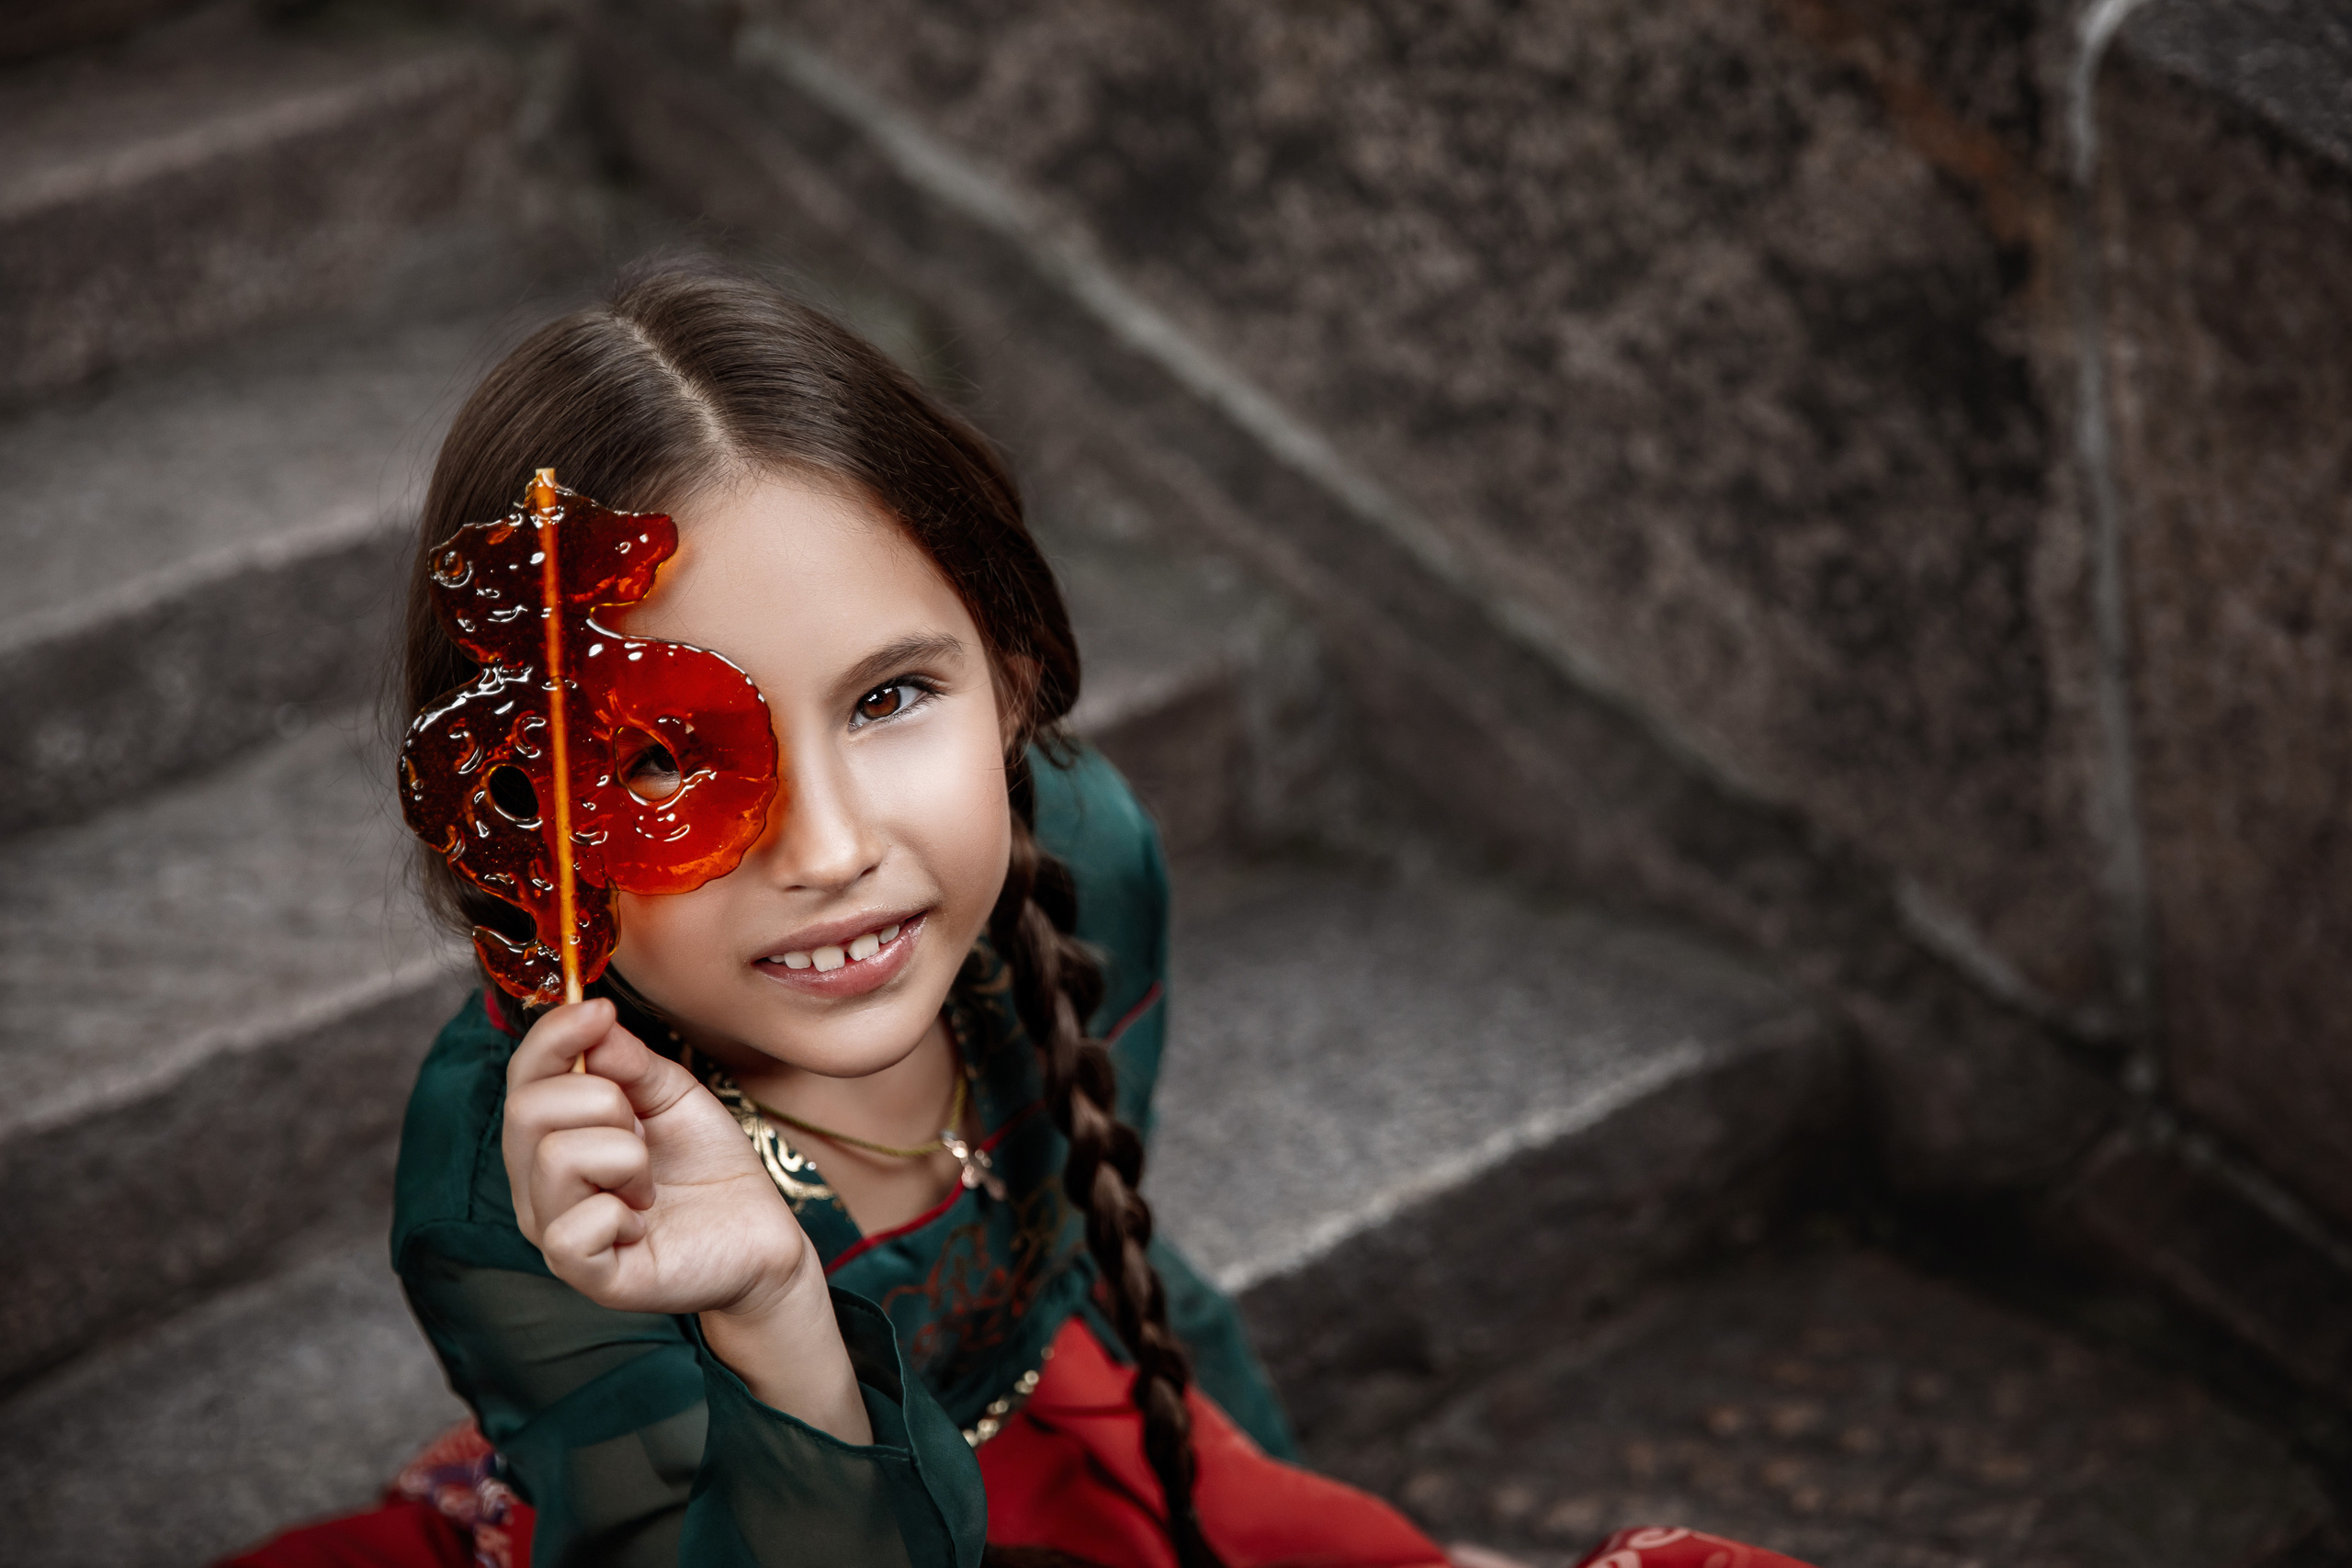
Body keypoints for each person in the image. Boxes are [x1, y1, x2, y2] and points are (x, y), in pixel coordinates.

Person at [225, 262, 1811, 1568]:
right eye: (660, 754)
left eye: (892, 695)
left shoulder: (1078, 868)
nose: (834, 846)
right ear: (515, 806)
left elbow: (1127, 1268)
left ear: (1019, 669)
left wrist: (1276, 1509)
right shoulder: (531, 1175)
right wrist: (780, 1320)